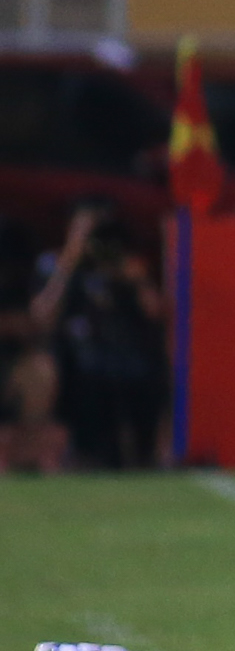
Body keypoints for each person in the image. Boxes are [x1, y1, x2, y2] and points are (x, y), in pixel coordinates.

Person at [35, 202, 166, 470]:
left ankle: (147, 455)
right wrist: (70, 260)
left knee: (155, 375)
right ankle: (84, 455)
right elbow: (42, 316)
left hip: (128, 360)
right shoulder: (55, 264)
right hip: (76, 361)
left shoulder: (124, 266)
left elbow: (156, 313)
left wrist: (136, 279)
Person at [0, 215, 64, 473]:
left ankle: (30, 456)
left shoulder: (24, 278)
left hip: (13, 363)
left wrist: (71, 252)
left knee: (40, 370)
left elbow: (39, 321)